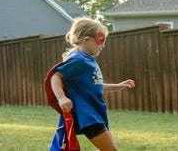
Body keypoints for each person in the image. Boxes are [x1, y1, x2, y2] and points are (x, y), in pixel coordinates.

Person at [49, 17, 135, 151]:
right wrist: (61, 98)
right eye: (100, 39)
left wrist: (119, 86)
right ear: (86, 40)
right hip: (88, 116)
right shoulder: (78, 60)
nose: (103, 44)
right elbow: (55, 76)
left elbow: (95, 86)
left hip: (96, 114)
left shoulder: (89, 61)